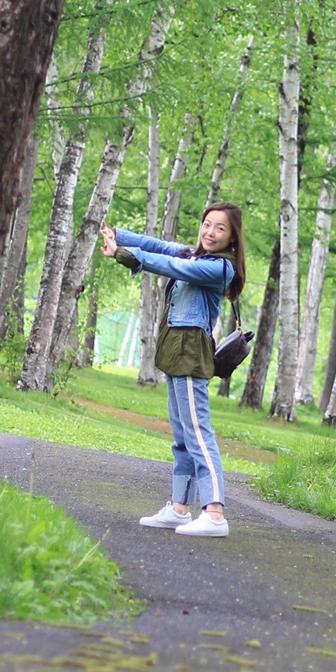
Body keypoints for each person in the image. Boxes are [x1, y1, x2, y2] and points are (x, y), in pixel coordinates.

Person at [100, 202, 246, 536]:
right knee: (182, 436)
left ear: (232, 237)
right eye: (207, 224)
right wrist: (118, 236)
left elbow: (168, 264)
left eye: (220, 228)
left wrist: (124, 254)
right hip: (175, 351)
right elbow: (157, 245)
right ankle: (181, 508)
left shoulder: (220, 269)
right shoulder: (194, 255)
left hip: (191, 355)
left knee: (198, 433)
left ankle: (215, 513)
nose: (210, 232)